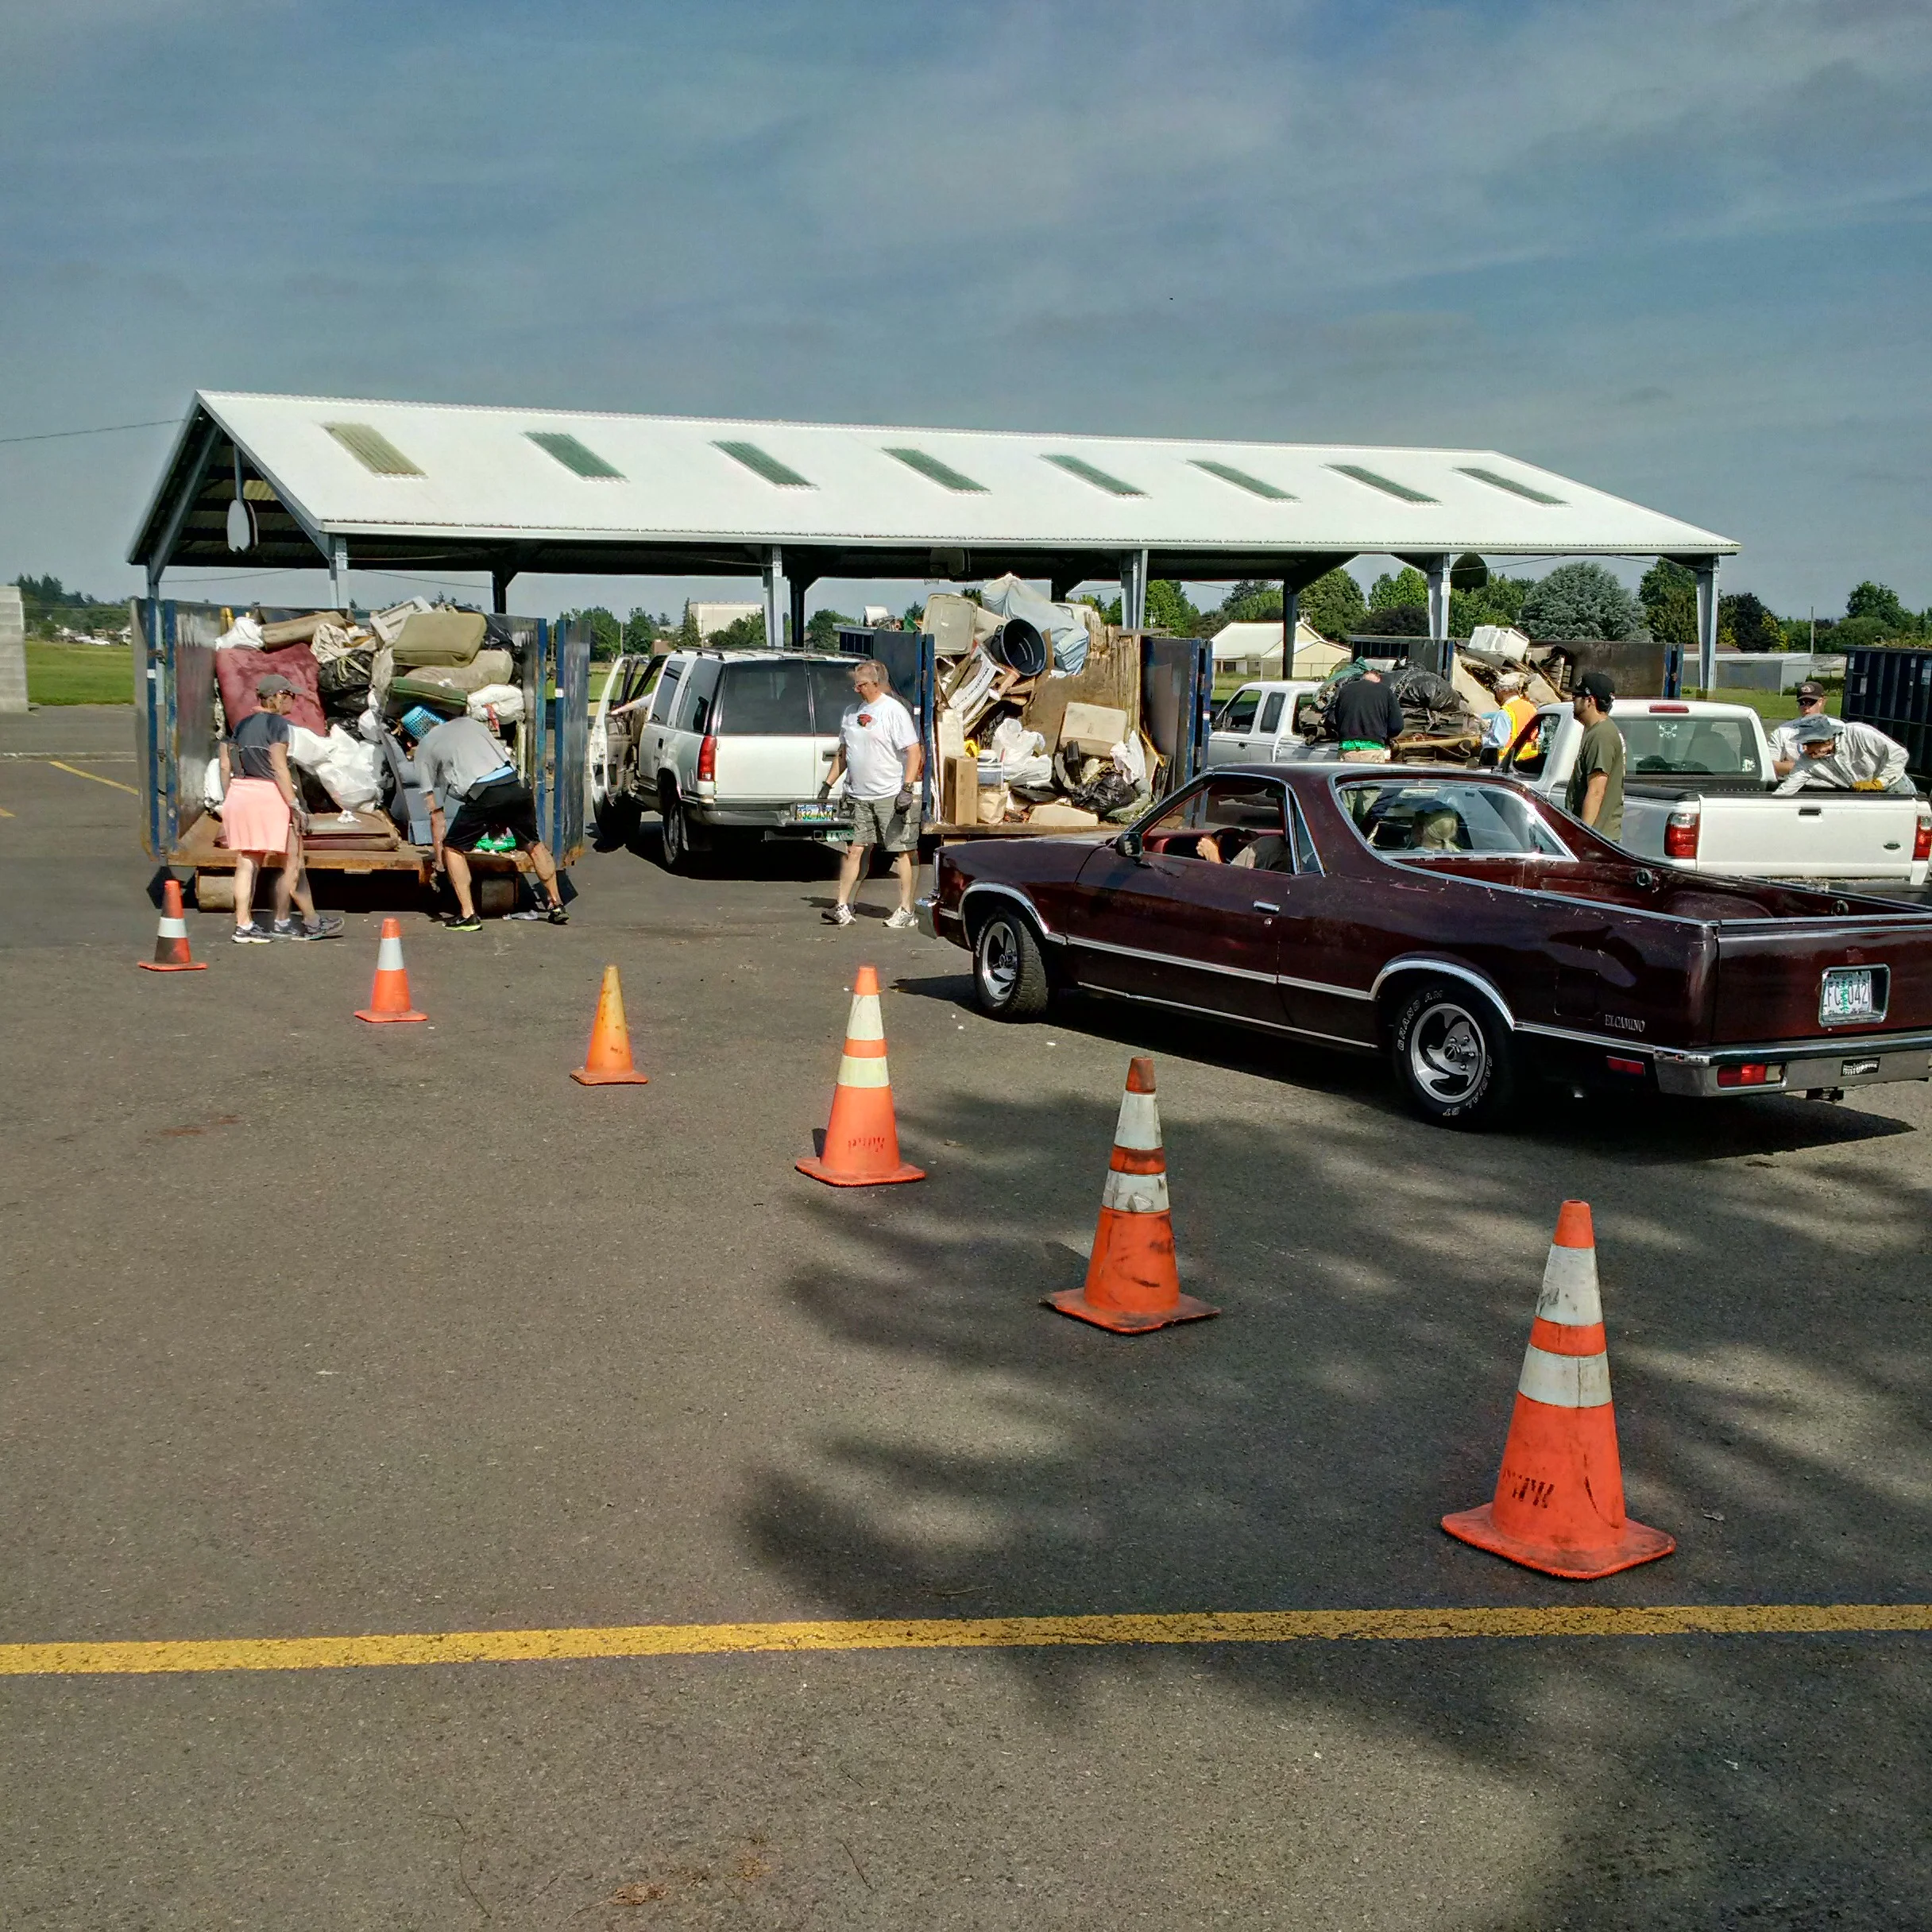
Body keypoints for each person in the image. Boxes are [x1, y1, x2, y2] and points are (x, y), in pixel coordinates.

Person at [399, 707, 568, 930]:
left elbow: (436, 817)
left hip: (485, 794)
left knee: (453, 848)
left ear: (413, 736)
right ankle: (556, 905)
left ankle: (468, 915)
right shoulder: (471, 724)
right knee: (533, 844)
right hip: (515, 787)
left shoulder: (425, 748)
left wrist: (440, 864)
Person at [218, 673, 345, 943]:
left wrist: (231, 797)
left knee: (247, 862)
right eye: (290, 696)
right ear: (277, 696)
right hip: (269, 797)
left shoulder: (239, 726)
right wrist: (294, 804)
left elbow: (225, 765)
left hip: (240, 794)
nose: (293, 702)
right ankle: (302, 922)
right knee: (293, 861)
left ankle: (244, 925)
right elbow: (278, 767)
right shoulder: (278, 726)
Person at [821, 659, 924, 929]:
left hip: (889, 794)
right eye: (855, 684)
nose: (857, 689)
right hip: (858, 795)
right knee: (854, 849)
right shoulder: (850, 713)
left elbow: (913, 751)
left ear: (877, 684)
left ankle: (906, 910)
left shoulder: (893, 711)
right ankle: (842, 905)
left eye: (862, 684)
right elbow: (844, 753)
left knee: (901, 850)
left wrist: (907, 787)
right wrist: (827, 784)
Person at [1775, 713, 1915, 795]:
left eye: (1809, 744)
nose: (1806, 749)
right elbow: (1788, 788)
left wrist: (1879, 783)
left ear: (1825, 739)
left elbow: (1899, 754)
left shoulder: (1857, 733)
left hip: (1896, 788)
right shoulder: (1806, 761)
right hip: (1862, 796)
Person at [1564, 671, 1625, 840]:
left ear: (1590, 700)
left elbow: (1596, 790)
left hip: (1598, 840)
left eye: (1576, 696)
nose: (1573, 701)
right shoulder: (1595, 731)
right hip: (1597, 838)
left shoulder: (1602, 735)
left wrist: (1584, 836)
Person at [1330, 666, 1405, 763]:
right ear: (1378, 680)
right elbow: (1397, 726)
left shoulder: (1345, 690)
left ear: (1363, 678)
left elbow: (1335, 719)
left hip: (1347, 749)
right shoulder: (1385, 691)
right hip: (1373, 749)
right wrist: (1385, 736)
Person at [1770, 681, 1831, 778]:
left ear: (1822, 701)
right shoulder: (1783, 731)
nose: (1806, 707)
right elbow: (1769, 766)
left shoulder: (1837, 730)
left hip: (1830, 787)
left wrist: (1788, 766)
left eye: (1810, 702)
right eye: (1802, 703)